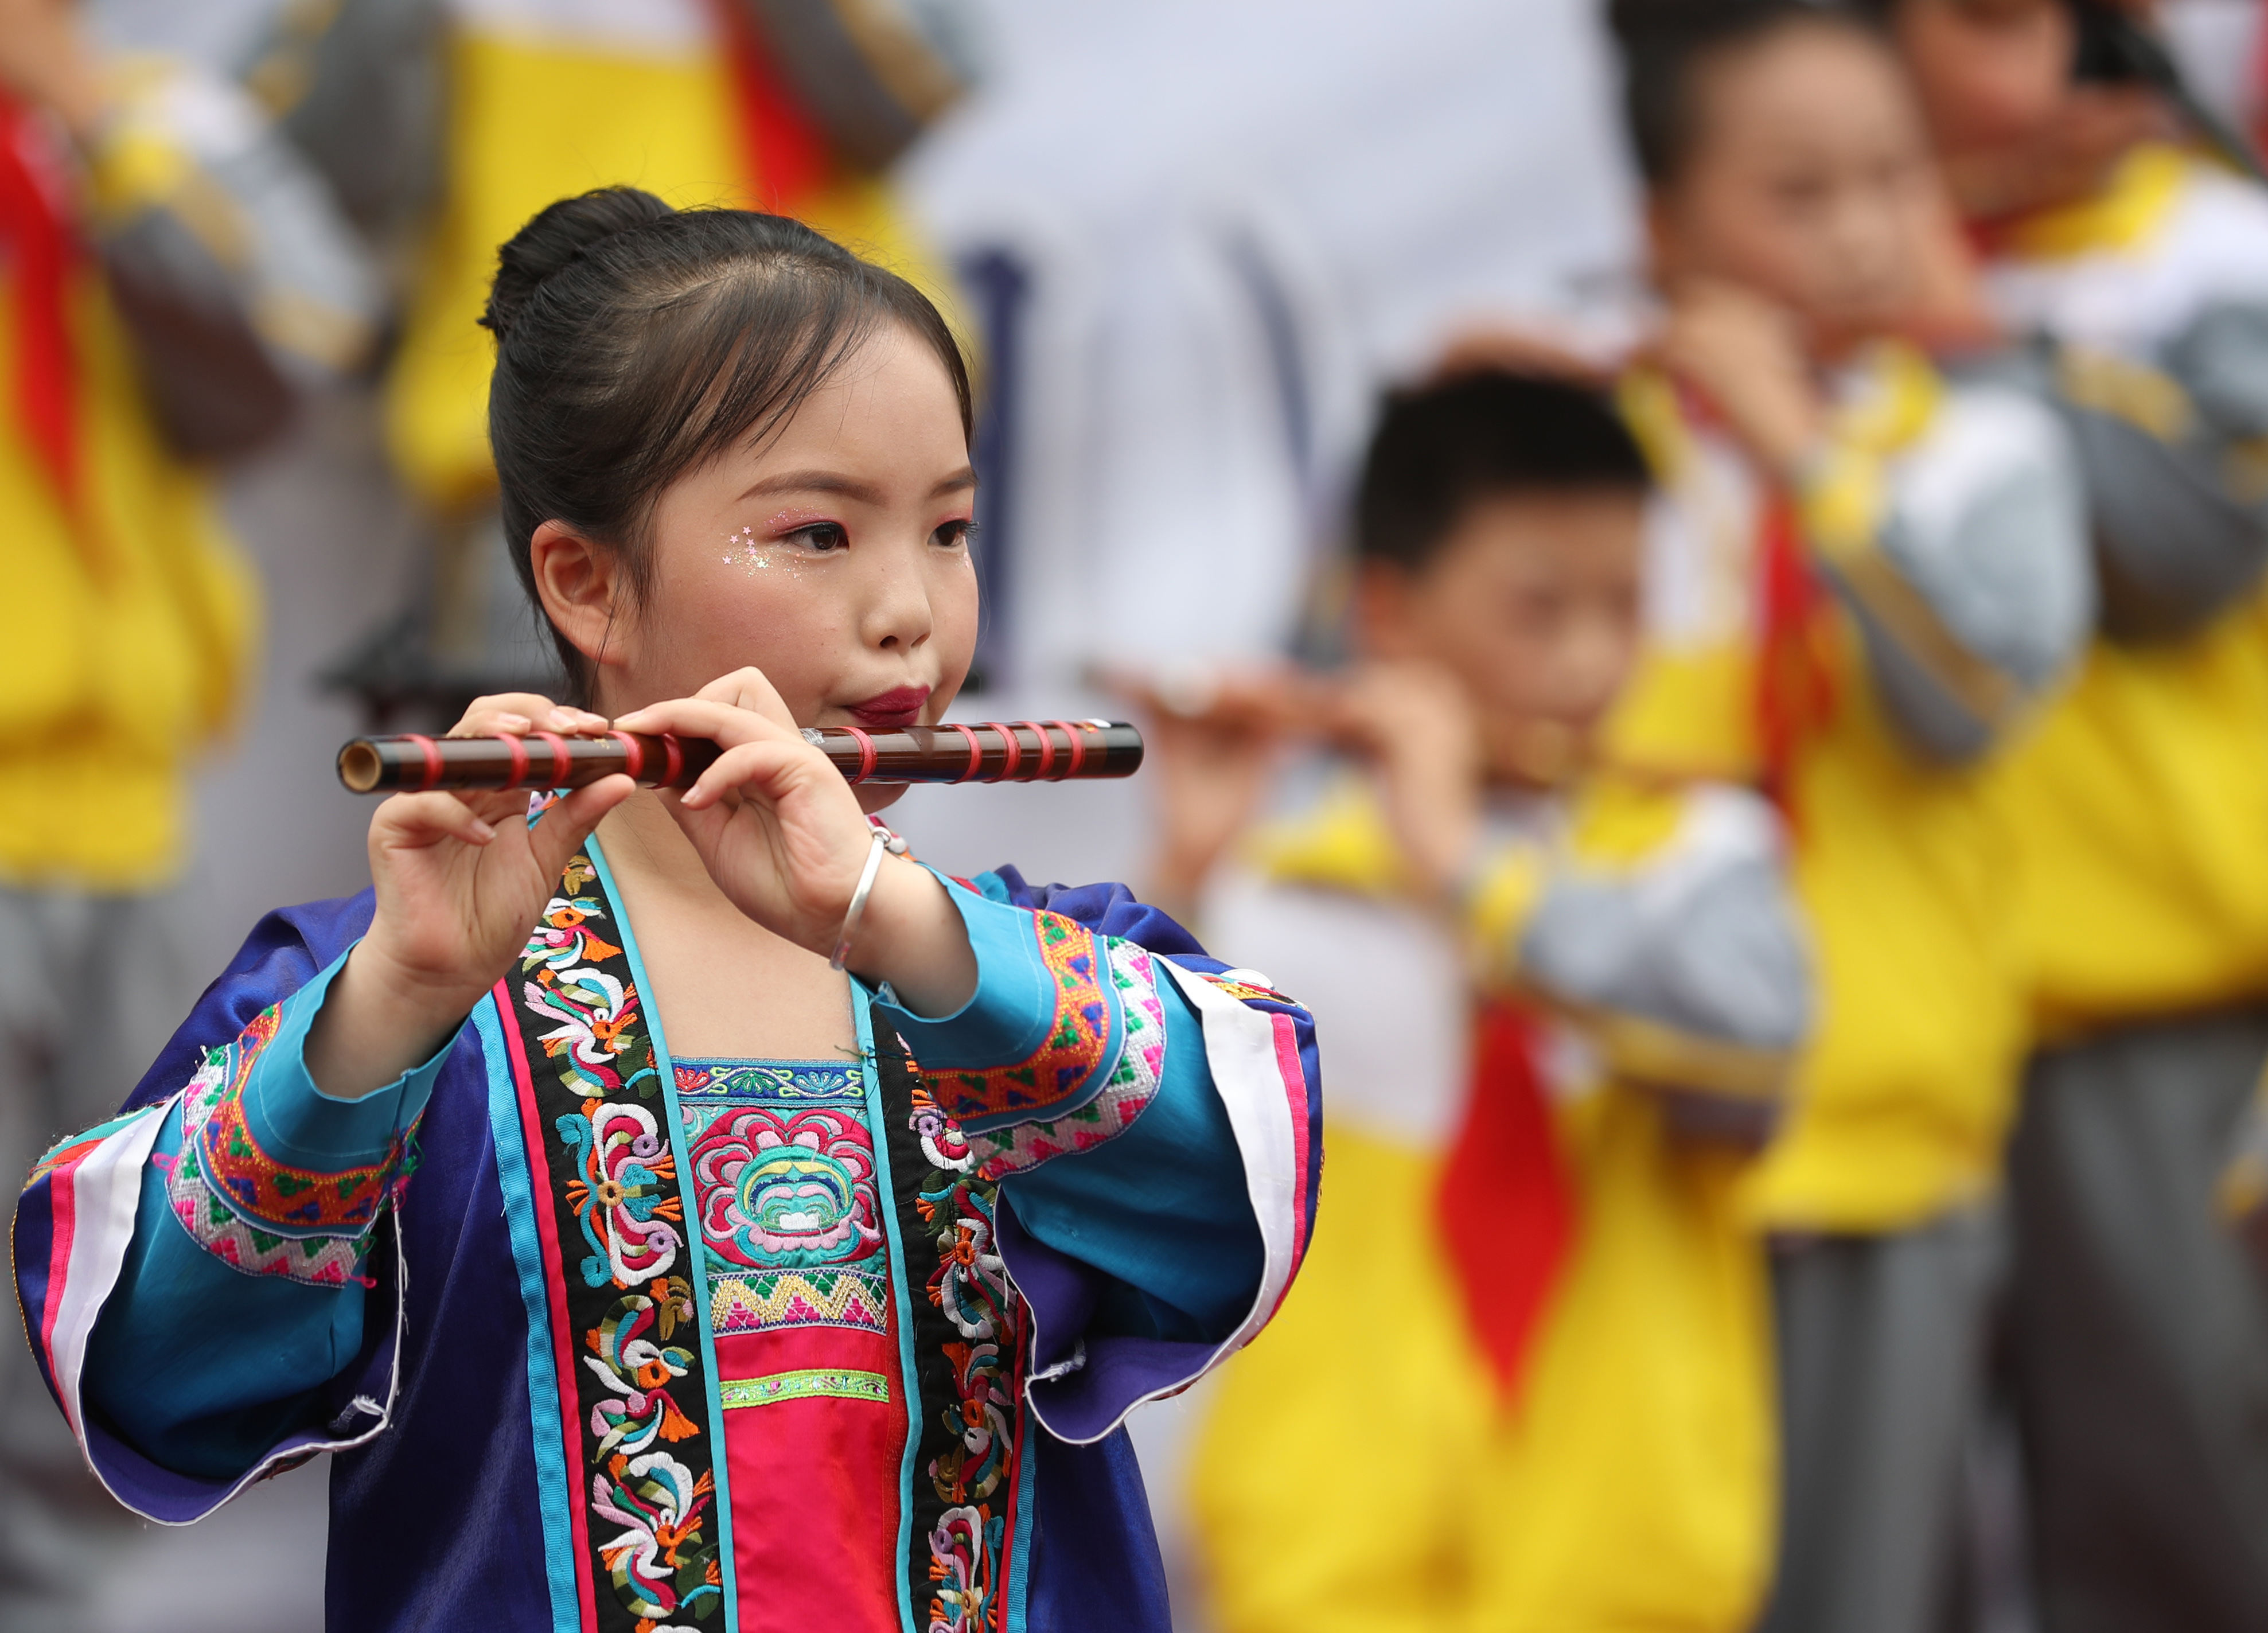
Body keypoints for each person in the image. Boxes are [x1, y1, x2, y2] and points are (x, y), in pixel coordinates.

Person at [11, 188, 1322, 1633]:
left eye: (949, 528)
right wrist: (392, 1004)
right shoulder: (390, 996)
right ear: (587, 584)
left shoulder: (1031, 966)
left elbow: (1233, 1196)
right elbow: (147, 1361)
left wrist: (899, 926)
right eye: (818, 533)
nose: (912, 611)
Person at [1167, 369, 1809, 1633]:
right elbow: (1140, 1184)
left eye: (1625, 607)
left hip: (1629, 1548)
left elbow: (1757, 1048)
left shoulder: (1699, 849)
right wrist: (1187, 871)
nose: (1590, 660)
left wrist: (1468, 869)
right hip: (1331, 1553)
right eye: (1537, 609)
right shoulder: (1282, 877)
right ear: (1388, 614)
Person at [1600, 2, 2094, 1628]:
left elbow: (1966, 700)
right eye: (1799, 194)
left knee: (1861, 1594)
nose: (1868, 230)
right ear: (1664, 227)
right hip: (1647, 1149)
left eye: (1893, 177)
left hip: (1886, 1151)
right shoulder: (1596, 463)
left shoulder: (1976, 446)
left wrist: (1805, 450)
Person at [1879, 0, 2268, 1623]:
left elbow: (2189, 553)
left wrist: (1957, 332)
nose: (1927, 64)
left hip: (2149, 1011)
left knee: (2169, 1531)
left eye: (1989, 19)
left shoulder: (2212, 244)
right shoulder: (1796, 271)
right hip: (1875, 1035)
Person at [0, 0, 379, 1623]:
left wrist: (89, 117)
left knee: (85, 1325)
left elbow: (309, 332)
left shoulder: (140, 119)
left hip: (126, 824)